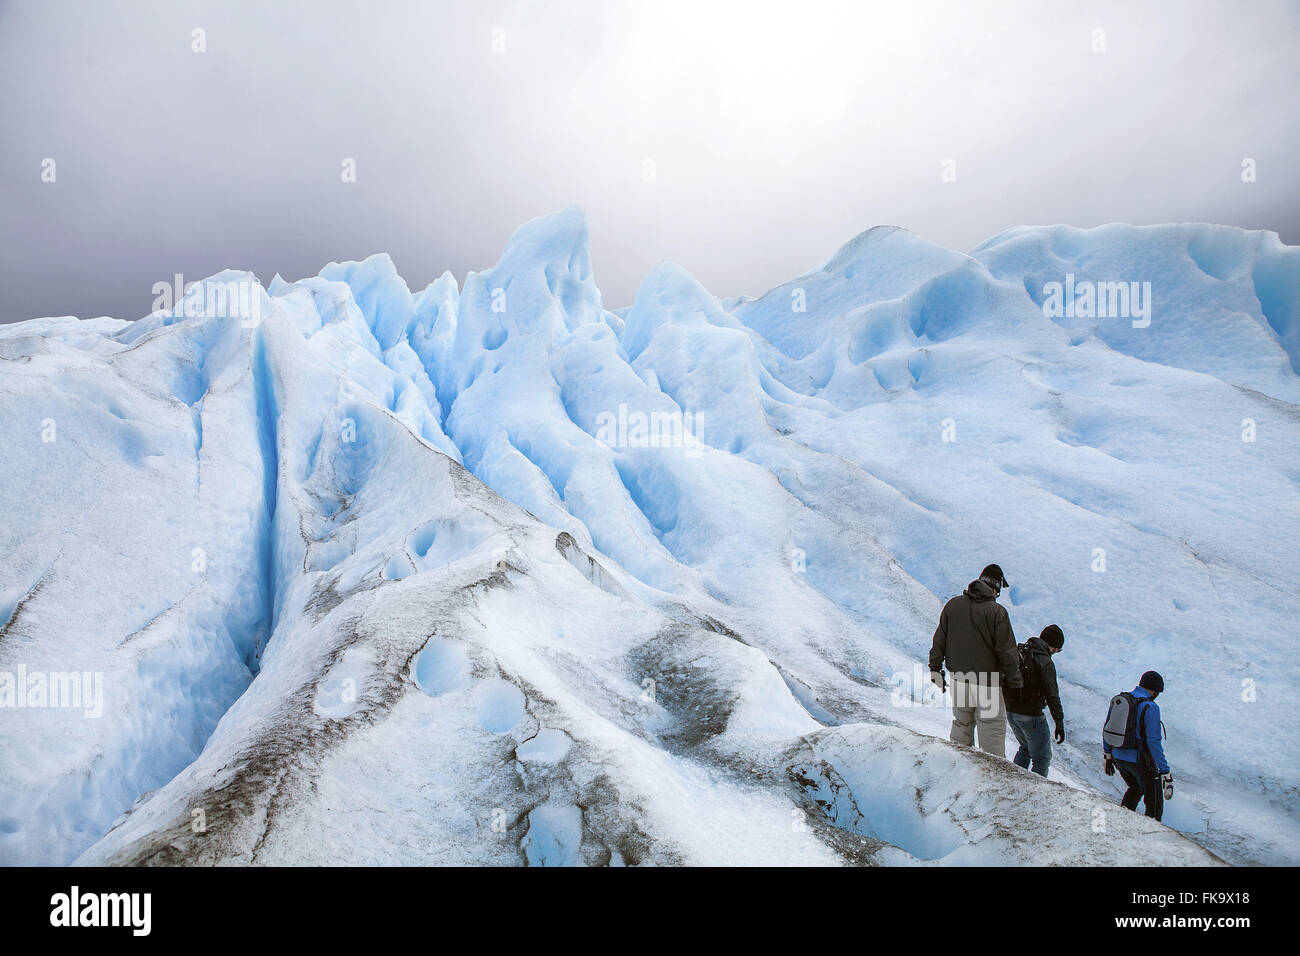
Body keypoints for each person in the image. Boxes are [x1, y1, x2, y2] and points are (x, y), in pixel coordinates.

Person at [929, 563, 1022, 757]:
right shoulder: (997, 612)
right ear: (995, 589)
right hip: (987, 683)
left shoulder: (953, 605)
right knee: (991, 735)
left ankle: (958, 768)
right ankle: (993, 781)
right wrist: (1015, 683)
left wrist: (935, 668)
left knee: (962, 725)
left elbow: (940, 639)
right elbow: (1007, 651)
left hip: (959, 679)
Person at [1103, 671, 1171, 821]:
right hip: (1139, 761)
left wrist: (1108, 754)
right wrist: (1164, 770)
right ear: (1154, 690)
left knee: (1134, 789)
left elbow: (1107, 727)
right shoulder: (1150, 707)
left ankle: (1122, 824)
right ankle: (1148, 840)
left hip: (1119, 758)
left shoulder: (1121, 700)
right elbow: (1154, 742)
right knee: (1154, 804)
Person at [1005, 624, 1065, 777]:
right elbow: (1052, 695)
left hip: (1011, 711)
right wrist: (1059, 723)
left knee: (1025, 749)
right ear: (1053, 647)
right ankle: (1036, 793)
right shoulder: (1045, 661)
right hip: (1031, 715)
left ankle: (1015, 782)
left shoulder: (1021, 651)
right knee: (1042, 758)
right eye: (1058, 650)